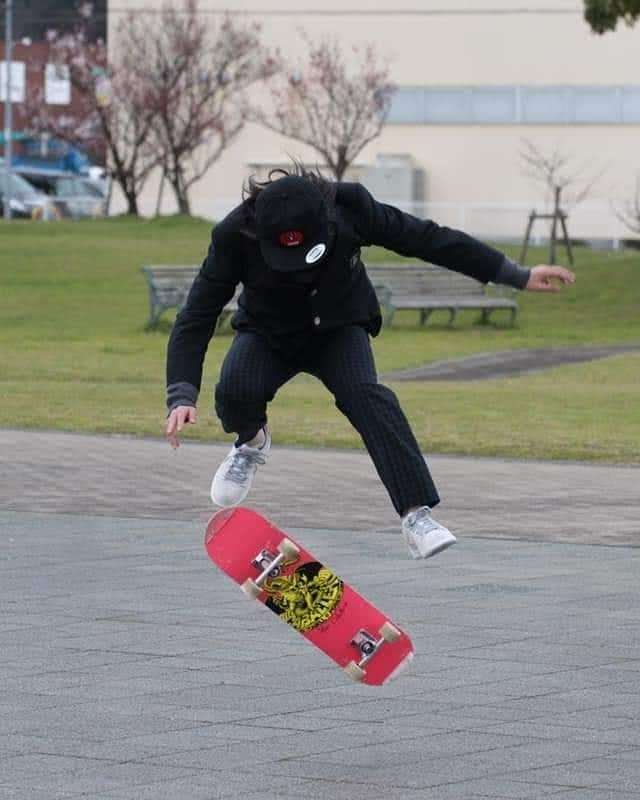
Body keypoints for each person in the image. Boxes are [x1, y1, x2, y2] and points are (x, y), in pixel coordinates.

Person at [165, 163, 575, 560]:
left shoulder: (352, 207)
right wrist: (181, 392)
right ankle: (251, 443)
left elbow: (427, 239)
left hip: (340, 327)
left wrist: (514, 274)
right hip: (268, 333)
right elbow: (197, 313)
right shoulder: (233, 235)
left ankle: (417, 517)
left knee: (367, 396)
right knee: (235, 391)